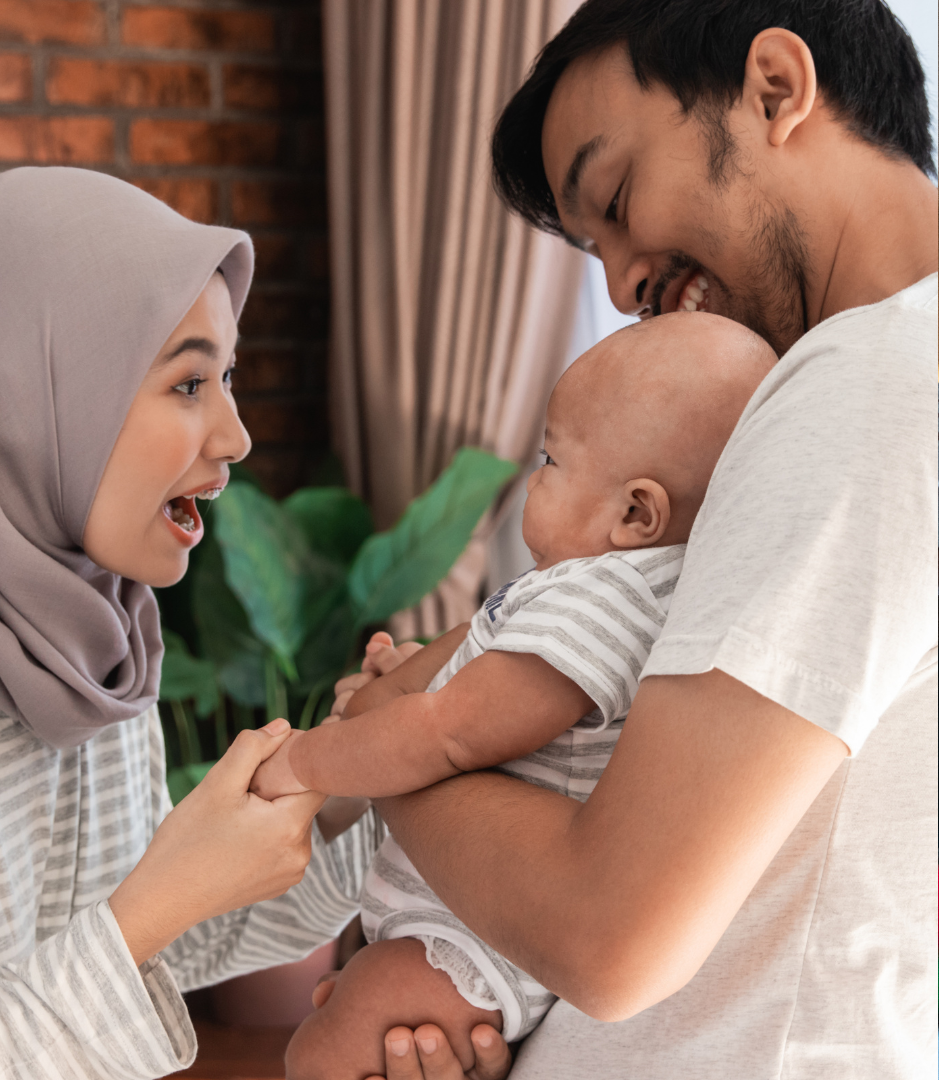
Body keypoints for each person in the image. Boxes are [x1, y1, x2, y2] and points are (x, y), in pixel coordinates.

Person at [298, 0, 936, 1076]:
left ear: (776, 88)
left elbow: (611, 935)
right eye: (590, 246)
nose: (622, 283)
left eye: (618, 197)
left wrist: (393, 730)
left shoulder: (868, 382)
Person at [0, 166, 390, 1078]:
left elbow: (155, 949)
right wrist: (149, 907)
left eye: (228, 378)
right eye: (189, 384)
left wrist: (356, 785)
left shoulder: (97, 641)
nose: (234, 436)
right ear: (25, 390)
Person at [248, 314, 777, 1078]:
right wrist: (394, 685)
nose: (533, 480)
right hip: (463, 912)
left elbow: (449, 733)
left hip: (471, 936)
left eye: (550, 459)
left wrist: (307, 761)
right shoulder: (597, 591)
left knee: (318, 1056)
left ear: (636, 513)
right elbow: (457, 677)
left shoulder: (601, 598)